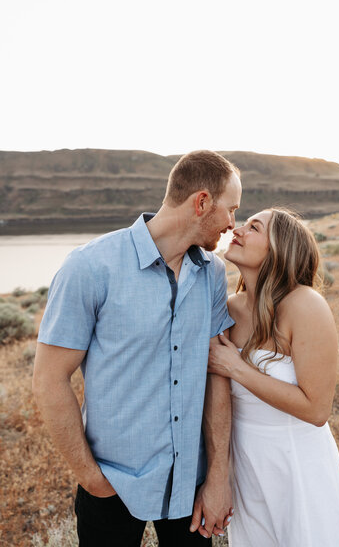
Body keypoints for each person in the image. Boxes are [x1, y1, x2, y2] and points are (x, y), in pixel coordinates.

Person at [32, 150, 242, 546]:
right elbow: (48, 379)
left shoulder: (212, 273)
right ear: (201, 203)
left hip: (189, 488)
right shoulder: (90, 267)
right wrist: (92, 479)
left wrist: (216, 480)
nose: (233, 224)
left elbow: (217, 373)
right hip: (111, 484)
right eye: (230, 209)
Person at [208, 208, 339, 547]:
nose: (238, 229)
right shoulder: (228, 308)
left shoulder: (305, 305)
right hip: (245, 464)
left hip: (298, 466)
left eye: (253, 227)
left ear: (278, 249)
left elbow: (317, 410)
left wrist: (237, 368)